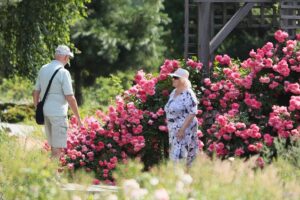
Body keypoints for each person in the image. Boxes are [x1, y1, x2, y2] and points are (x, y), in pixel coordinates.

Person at [32, 45, 82, 158]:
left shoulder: (43, 69)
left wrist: (37, 109)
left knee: (53, 148)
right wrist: (78, 118)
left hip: (45, 112)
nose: (68, 60)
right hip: (58, 113)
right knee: (57, 149)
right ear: (65, 57)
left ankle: (51, 173)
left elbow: (35, 92)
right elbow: (70, 97)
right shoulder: (64, 73)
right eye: (68, 57)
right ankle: (53, 175)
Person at [164, 68, 198, 166]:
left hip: (183, 130)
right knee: (176, 155)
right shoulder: (174, 92)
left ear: (182, 80)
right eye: (173, 77)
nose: (173, 79)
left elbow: (193, 112)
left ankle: (179, 177)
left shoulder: (188, 93)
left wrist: (182, 129)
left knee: (180, 156)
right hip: (174, 130)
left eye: (175, 77)